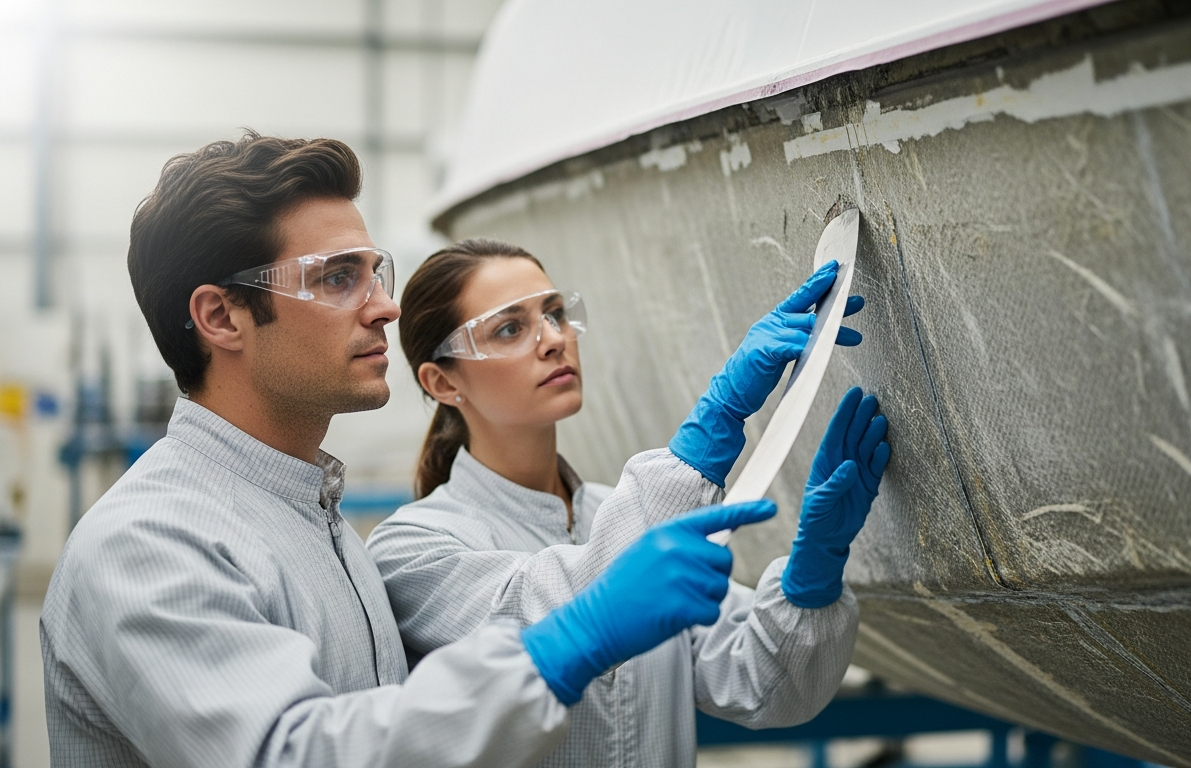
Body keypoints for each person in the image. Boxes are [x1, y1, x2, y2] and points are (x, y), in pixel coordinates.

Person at [39, 133, 783, 768]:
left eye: (373, 271)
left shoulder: (322, 530)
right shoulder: (147, 545)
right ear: (220, 316)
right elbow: (297, 755)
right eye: (337, 278)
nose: (386, 306)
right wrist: (562, 649)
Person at [366, 238, 892, 766]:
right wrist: (714, 424)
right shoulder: (413, 548)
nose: (553, 340)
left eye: (554, 313)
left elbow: (762, 686)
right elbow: (566, 608)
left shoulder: (614, 512)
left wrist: (814, 572)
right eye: (510, 328)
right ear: (442, 381)